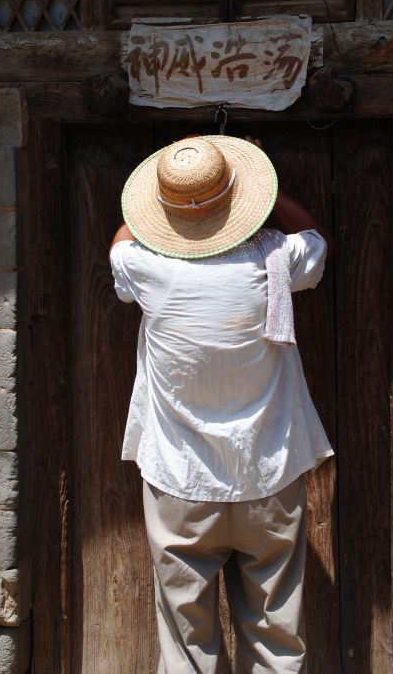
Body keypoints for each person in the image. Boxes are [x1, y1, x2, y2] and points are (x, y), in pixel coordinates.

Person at [109, 134, 335, 674]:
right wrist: (265, 183)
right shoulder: (276, 260)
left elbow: (120, 240)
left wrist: (165, 206)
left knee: (185, 642)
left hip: (179, 484)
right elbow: (316, 236)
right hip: (268, 477)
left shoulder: (147, 268)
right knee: (277, 633)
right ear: (242, 204)